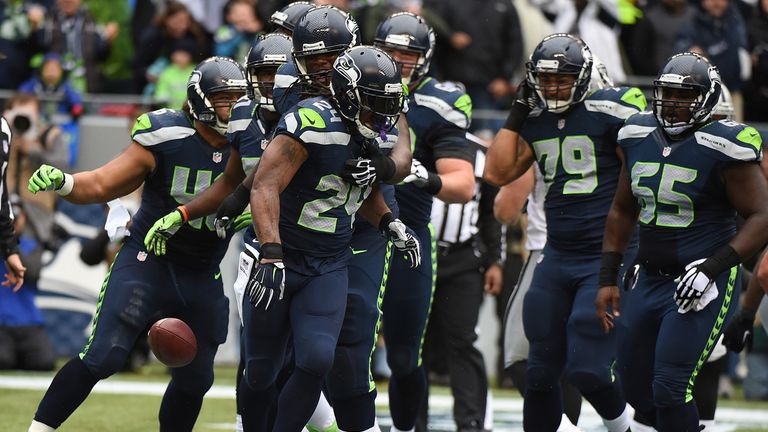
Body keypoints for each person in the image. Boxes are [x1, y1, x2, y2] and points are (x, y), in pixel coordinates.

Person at [24, 56, 247, 432]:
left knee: (196, 378)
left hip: (202, 270)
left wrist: (252, 213)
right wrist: (65, 182)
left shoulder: (252, 138)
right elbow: (102, 183)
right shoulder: (166, 135)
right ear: (200, 100)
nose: (234, 107)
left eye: (238, 98)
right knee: (103, 357)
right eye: (224, 98)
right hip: (148, 261)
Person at [242, 45, 417, 432]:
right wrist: (270, 252)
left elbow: (354, 192)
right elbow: (264, 186)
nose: (382, 115)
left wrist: (389, 222)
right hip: (283, 257)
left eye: (387, 104)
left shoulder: (373, 130)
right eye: (374, 103)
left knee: (318, 359)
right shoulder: (311, 121)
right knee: (260, 369)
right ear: (350, 95)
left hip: (329, 263)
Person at [595, 52, 768, 432]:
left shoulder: (725, 144)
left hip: (702, 280)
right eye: (668, 94)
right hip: (649, 276)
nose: (673, 103)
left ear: (707, 99)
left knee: (671, 387)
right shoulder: (636, 133)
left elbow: (763, 216)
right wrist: (608, 276)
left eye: (684, 95)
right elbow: (622, 209)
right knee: (633, 385)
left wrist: (712, 267)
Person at [483, 33, 647, 432]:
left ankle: (625, 428)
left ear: (584, 76)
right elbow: (496, 173)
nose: (553, 87)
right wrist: (517, 111)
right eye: (545, 78)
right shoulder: (536, 119)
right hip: (557, 256)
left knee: (589, 369)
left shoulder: (613, 109)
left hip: (607, 255)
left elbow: (643, 175)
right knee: (539, 372)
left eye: (562, 78)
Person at [372, 12, 476, 432]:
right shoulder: (350, 86)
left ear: (425, 58)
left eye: (408, 54)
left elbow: (463, 184)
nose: (398, 60)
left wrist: (424, 177)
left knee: (403, 356)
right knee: (343, 348)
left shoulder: (439, 102)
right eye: (390, 51)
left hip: (408, 236)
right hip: (353, 235)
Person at [420, 132, 503, 432]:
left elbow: (491, 212)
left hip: (464, 259)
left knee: (463, 341)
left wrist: (494, 261)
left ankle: (471, 421)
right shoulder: (417, 143)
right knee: (415, 344)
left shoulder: (482, 152)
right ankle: (413, 421)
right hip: (418, 257)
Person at [0, 195, 55, 372]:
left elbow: (32, 273)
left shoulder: (32, 246)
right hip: (2, 323)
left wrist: (10, 243)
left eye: (18, 215)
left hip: (28, 321)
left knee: (44, 362)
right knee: (3, 361)